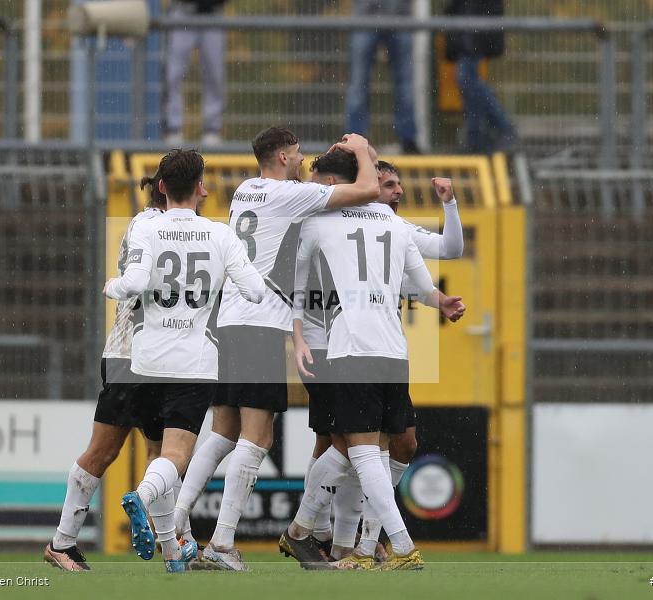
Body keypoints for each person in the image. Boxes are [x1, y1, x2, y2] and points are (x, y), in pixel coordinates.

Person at [172, 127, 381, 572]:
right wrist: (363, 151)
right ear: (284, 156)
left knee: (224, 431)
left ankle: (173, 523)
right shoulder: (289, 195)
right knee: (258, 436)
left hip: (227, 318)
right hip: (258, 322)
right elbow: (367, 189)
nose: (303, 158)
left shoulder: (247, 190)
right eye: (298, 153)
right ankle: (223, 544)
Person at [280, 149, 464, 571]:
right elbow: (422, 283)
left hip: (357, 345)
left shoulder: (319, 221)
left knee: (357, 451)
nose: (395, 192)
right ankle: (368, 546)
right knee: (360, 450)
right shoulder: (391, 225)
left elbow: (297, 284)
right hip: (379, 349)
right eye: (386, 183)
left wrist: (295, 336)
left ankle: (365, 542)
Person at [104, 149, 265, 573]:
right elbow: (254, 291)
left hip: (145, 361)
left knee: (159, 454)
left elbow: (135, 282)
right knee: (174, 459)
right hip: (192, 362)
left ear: (160, 187)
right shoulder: (220, 234)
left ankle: (174, 552)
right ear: (200, 188)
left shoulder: (148, 228)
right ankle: (141, 495)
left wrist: (112, 286)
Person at [44, 175, 169, 572]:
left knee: (163, 451)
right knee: (104, 450)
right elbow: (140, 283)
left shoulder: (176, 227)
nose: (203, 194)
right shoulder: (146, 225)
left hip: (164, 356)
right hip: (129, 354)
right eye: (196, 185)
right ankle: (61, 542)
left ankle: (171, 542)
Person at [345, 0, 420, 154]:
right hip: (366, 18)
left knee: (404, 84)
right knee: (358, 84)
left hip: (398, 18)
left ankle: (408, 140)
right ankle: (354, 141)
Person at [446, 0, 516, 153]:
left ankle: (500, 128)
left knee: (469, 81)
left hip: (474, 32)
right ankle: (476, 138)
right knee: (470, 84)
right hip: (470, 32)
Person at [163, 0, 227, 146]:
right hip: (183, 11)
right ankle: (173, 128)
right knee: (173, 74)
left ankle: (212, 129)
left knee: (214, 75)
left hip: (213, 13)